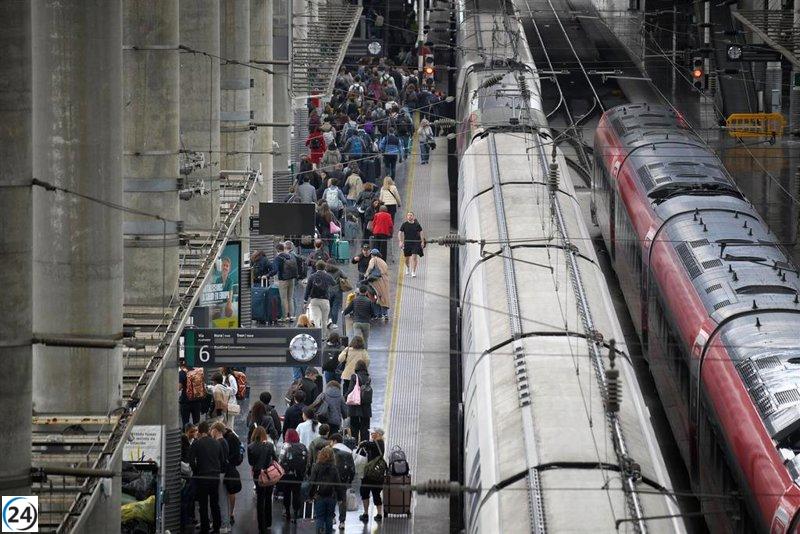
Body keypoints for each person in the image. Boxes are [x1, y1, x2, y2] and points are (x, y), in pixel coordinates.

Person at [189, 421, 226, 534]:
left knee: (203, 504)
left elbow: (191, 461)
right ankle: (216, 527)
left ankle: (205, 528)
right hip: (215, 477)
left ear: (199, 432)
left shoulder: (196, 444)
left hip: (202, 477)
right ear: (208, 430)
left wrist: (196, 471)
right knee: (215, 503)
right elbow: (222, 460)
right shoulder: (217, 443)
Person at [247, 426, 279, 534]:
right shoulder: (269, 445)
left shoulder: (250, 447)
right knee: (268, 497)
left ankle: (261, 526)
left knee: (260, 499)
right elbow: (275, 458)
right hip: (268, 474)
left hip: (257, 474)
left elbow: (251, 462)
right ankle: (268, 522)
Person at [309, 447, 342, 534]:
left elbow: (312, 482)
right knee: (329, 518)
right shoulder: (334, 468)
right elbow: (338, 484)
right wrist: (340, 498)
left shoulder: (317, 466)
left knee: (320, 518)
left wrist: (310, 496)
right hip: (331, 497)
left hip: (319, 496)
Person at [357, 428, 386, 523]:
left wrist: (363, 443)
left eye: (373, 433)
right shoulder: (376, 443)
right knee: (372, 493)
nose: (371, 435)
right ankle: (375, 514)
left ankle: (370, 514)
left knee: (369, 493)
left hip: (371, 473)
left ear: (378, 434)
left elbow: (367, 444)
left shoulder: (379, 443)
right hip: (375, 474)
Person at [278, 429, 307, 524]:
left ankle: (287, 512)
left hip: (287, 475)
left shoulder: (285, 445)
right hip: (298, 474)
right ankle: (295, 513)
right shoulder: (302, 446)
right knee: (296, 493)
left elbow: (280, 460)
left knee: (286, 493)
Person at [330, 433, 356, 530]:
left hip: (332, 480)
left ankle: (332, 517)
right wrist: (349, 481)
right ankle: (342, 522)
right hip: (343, 480)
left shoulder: (331, 451)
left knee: (332, 498)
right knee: (342, 501)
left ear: (335, 441)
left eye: (331, 441)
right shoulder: (348, 451)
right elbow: (352, 469)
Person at [305, 260, 337, 337]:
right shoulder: (328, 276)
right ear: (325, 267)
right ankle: (323, 336)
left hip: (314, 300)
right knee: (324, 319)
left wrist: (305, 300)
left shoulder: (312, 276)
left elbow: (307, 289)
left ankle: (317, 335)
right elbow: (334, 283)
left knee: (316, 318)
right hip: (325, 300)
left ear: (316, 267)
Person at [344, 361, 373, 442]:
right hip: (366, 407)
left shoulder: (354, 377)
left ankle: (355, 445)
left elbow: (350, 390)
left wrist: (345, 397)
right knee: (365, 428)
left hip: (355, 407)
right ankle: (365, 446)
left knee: (354, 428)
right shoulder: (368, 377)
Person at [398, 211, 426, 277]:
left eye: (411, 215)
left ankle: (413, 271)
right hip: (407, 243)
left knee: (414, 257)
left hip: (415, 243)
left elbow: (421, 232)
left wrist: (422, 241)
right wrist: (400, 241)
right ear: (407, 217)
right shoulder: (404, 224)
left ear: (413, 216)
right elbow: (399, 233)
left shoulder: (417, 225)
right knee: (406, 259)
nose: (409, 216)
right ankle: (407, 268)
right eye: (408, 215)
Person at [366, 249, 391, 320]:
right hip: (385, 282)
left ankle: (377, 314)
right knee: (384, 298)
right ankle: (385, 314)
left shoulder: (373, 259)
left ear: (372, 255)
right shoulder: (383, 262)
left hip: (376, 281)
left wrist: (366, 274)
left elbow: (370, 267)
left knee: (372, 296)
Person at [325, 261, 348, 330]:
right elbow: (345, 276)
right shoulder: (338, 270)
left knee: (328, 306)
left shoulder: (326, 271)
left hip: (328, 291)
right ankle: (334, 323)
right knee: (335, 307)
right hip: (337, 291)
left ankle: (329, 320)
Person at [178, 357, 201, 427]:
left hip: (186, 402)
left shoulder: (182, 373)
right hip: (196, 401)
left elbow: (179, 387)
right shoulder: (197, 372)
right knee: (197, 423)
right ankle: (197, 437)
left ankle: (187, 437)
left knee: (186, 423)